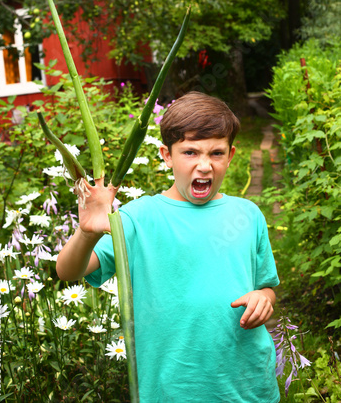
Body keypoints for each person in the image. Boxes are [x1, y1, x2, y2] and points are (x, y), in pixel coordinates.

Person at [56, 91, 280, 403]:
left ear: (230, 156)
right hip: (172, 388)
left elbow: (267, 287)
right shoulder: (138, 218)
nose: (204, 166)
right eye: (190, 152)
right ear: (166, 155)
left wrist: (263, 299)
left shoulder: (247, 215)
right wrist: (87, 233)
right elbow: (68, 270)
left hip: (246, 385)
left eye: (216, 153)